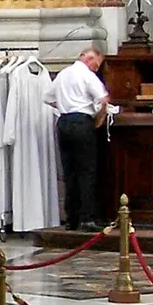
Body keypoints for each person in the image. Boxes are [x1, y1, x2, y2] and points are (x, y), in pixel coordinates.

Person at [46, 47, 109, 231]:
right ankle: (87, 218)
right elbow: (103, 99)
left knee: (70, 172)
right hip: (82, 123)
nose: (96, 69)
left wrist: (65, 106)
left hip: (63, 122)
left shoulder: (63, 74)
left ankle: (71, 218)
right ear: (90, 58)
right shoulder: (87, 75)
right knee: (87, 171)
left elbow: (47, 97)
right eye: (96, 65)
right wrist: (100, 118)